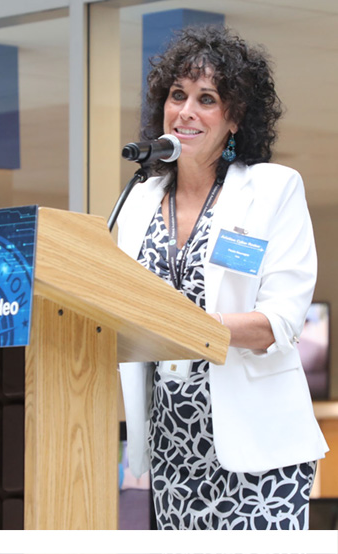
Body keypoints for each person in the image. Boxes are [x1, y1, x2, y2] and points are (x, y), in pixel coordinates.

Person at [117, 25, 328, 530]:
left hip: (260, 451)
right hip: (172, 451)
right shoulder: (137, 200)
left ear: (234, 119)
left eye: (206, 99)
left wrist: (189, 327)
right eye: (176, 95)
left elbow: (279, 322)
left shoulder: (273, 190)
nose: (186, 111)